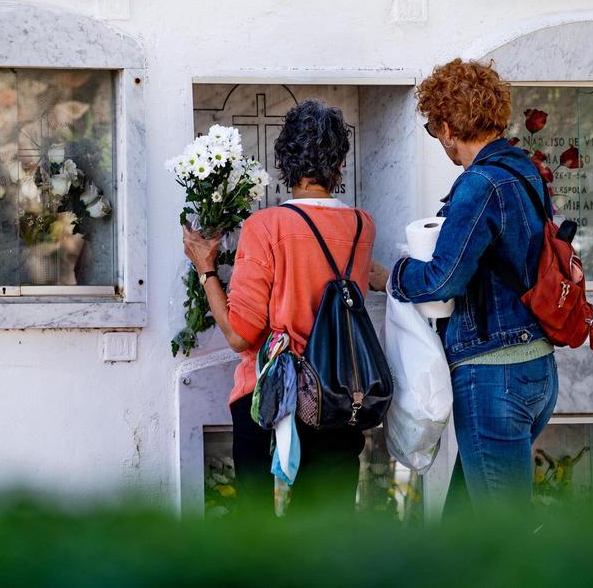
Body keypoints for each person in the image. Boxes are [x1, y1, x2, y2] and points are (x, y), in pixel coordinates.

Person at [182, 99, 383, 516]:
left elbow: (242, 334)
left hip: (271, 403)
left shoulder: (266, 226)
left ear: (285, 162)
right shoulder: (362, 226)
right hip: (340, 398)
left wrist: (206, 270)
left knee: (260, 541)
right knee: (326, 534)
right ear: (338, 164)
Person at [388, 59, 558, 508]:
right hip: (536, 368)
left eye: (434, 129)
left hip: (493, 375)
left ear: (447, 127)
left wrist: (395, 276)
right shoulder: (524, 171)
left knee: (501, 533)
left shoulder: (479, 184)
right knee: (464, 526)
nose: (438, 139)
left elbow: (443, 280)